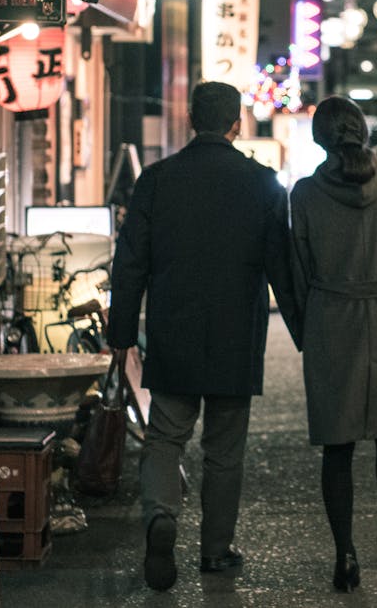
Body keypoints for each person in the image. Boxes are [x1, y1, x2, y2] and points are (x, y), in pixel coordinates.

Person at [106, 81, 293, 592]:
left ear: (191, 119)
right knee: (224, 449)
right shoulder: (263, 184)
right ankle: (214, 551)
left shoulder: (158, 180)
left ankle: (161, 517)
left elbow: (131, 262)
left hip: (174, 328)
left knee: (166, 436)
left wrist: (121, 329)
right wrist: (307, 333)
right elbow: (283, 267)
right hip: (237, 333)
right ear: (237, 122)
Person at [282, 95, 377, 593]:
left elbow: (298, 264)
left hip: (332, 316)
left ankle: (345, 553)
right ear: (363, 133)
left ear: (320, 138)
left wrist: (305, 328)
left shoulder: (304, 194)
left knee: (337, 445)